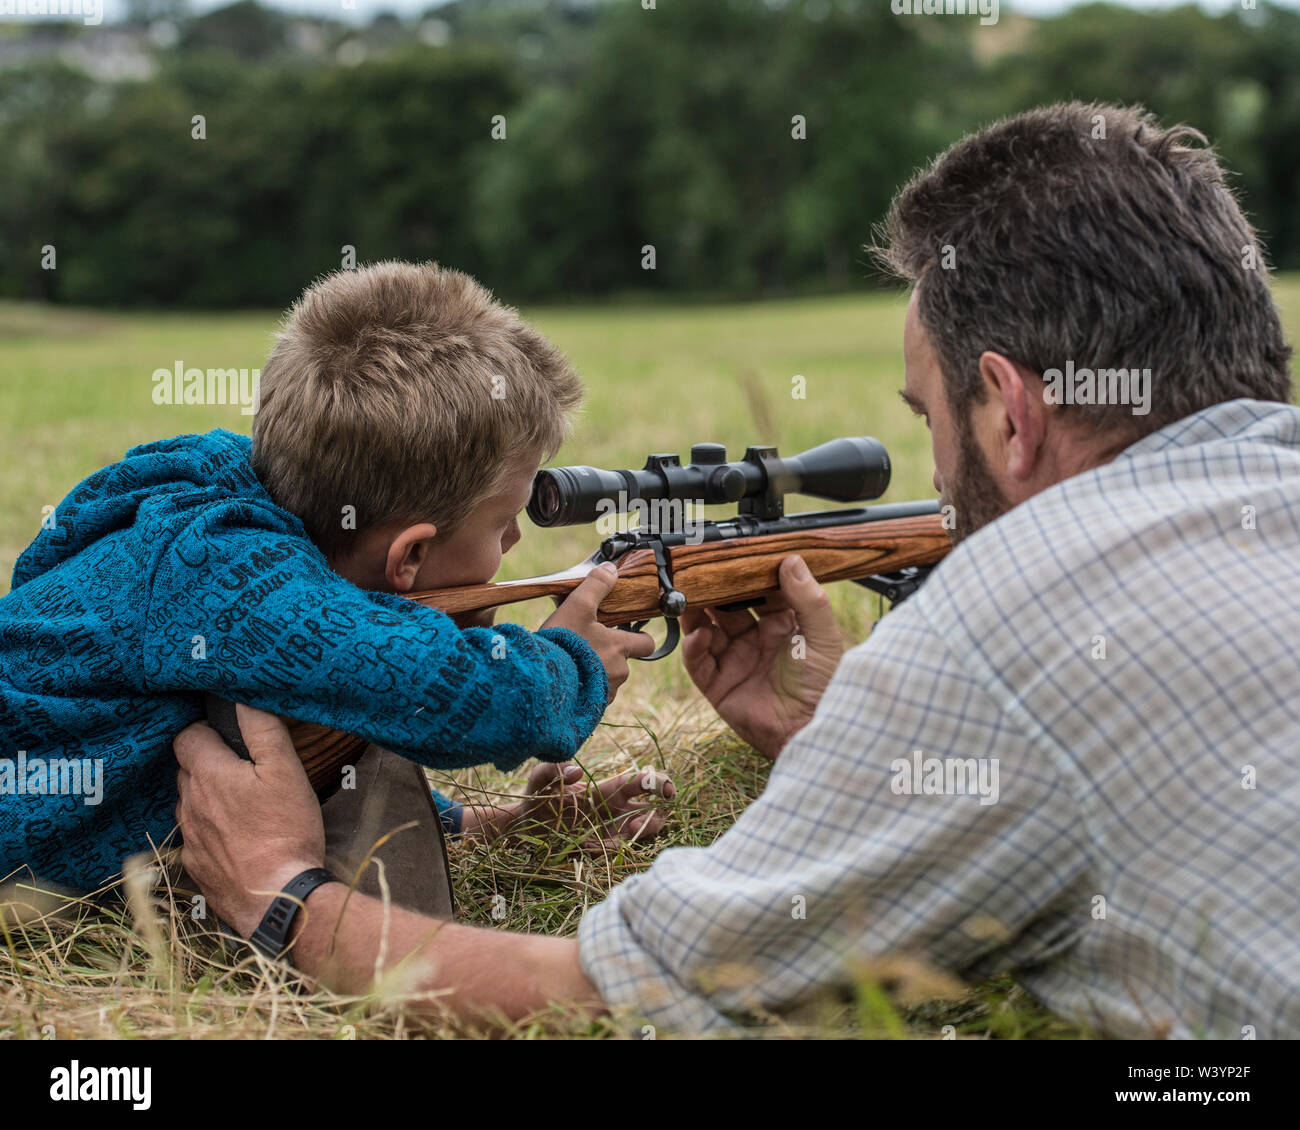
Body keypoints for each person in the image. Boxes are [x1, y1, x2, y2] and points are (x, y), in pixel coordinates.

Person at [175, 101, 1300, 1038]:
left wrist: (285, 897)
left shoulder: (997, 620)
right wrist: (839, 751)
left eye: (928, 415)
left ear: (1007, 408)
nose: (938, 464)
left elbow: (620, 999)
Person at [0, 261, 663, 897]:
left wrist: (488, 824)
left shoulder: (218, 490)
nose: (514, 542)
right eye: (504, 524)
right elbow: (443, 686)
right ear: (408, 557)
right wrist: (570, 664)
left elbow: (337, 696)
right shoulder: (230, 577)